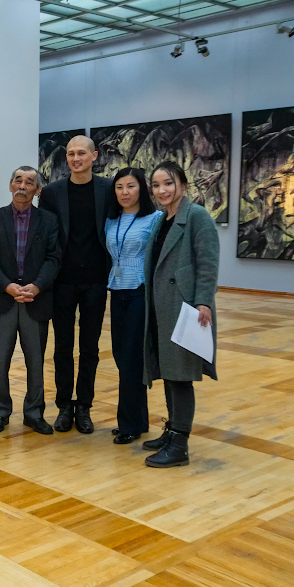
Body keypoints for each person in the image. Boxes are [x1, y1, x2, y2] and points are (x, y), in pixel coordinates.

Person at [143, 160, 219, 468]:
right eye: (157, 185)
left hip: (185, 306)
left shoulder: (197, 217)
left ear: (183, 186)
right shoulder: (162, 218)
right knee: (168, 371)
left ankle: (180, 444)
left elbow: (208, 262)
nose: (162, 190)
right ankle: (172, 430)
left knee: (180, 376)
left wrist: (203, 301)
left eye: (169, 184)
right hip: (162, 305)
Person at [39, 135, 111, 434]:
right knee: (63, 347)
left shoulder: (108, 190)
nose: (75, 158)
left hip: (96, 278)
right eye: (70, 154)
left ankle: (84, 406)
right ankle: (64, 406)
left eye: (82, 153)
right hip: (63, 280)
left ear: (94, 156)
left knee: (90, 347)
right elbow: (45, 238)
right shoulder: (52, 193)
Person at [0, 167, 62, 435]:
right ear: (10, 185)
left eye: (30, 182)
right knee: (0, 360)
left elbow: (54, 259)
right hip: (3, 299)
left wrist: (37, 287)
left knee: (36, 362)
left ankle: (34, 413)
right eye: (18, 180)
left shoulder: (49, 221)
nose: (23, 185)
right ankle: (0, 411)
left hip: (35, 300)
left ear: (37, 190)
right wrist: (7, 286)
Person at [104, 167, 162, 445]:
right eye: (119, 187)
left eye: (131, 186)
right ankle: (138, 419)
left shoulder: (155, 219)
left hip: (140, 291)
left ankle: (128, 424)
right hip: (117, 291)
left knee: (131, 359)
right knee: (121, 356)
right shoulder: (111, 220)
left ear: (142, 189)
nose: (124, 193)